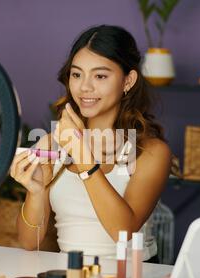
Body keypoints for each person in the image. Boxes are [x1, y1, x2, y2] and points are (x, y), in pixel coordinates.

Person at [10, 25, 171, 261]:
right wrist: (35, 192)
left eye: (100, 76)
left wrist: (83, 158)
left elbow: (124, 234)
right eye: (77, 74)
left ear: (128, 80)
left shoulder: (150, 152)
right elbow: (29, 241)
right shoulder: (52, 144)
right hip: (73, 276)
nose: (85, 87)